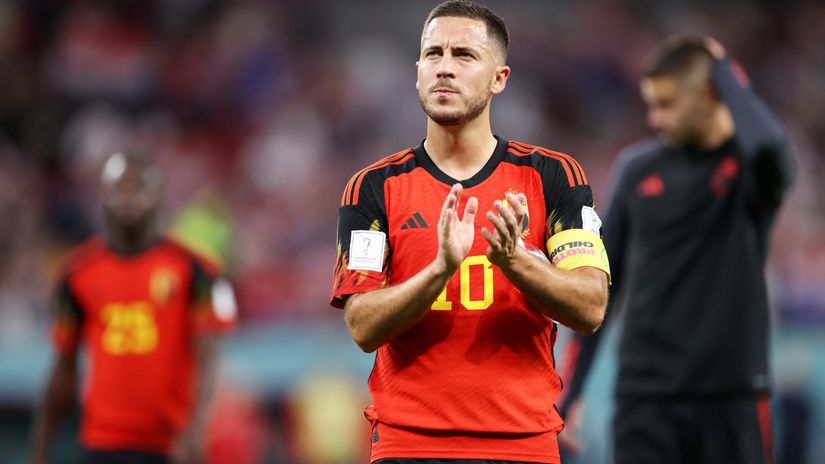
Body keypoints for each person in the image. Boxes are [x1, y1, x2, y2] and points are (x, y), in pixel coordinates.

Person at [330, 1, 611, 463]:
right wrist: (440, 269)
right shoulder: (373, 187)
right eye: (433, 54)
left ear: (499, 78)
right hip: (409, 445)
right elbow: (362, 327)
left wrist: (515, 262)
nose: (444, 68)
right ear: (417, 70)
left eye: (463, 55)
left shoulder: (554, 176)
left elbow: (591, 306)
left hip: (523, 443)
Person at [557, 35, 795, 464]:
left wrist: (722, 70)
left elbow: (774, 150)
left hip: (732, 399)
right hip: (644, 401)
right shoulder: (638, 170)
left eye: (666, 104)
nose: (655, 117)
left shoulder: (746, 170)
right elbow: (602, 286)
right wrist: (572, 391)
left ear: (707, 97)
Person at [29, 151, 237, 464]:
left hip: (168, 445)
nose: (128, 198)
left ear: (158, 195)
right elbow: (64, 366)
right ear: (101, 194)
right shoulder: (76, 273)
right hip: (101, 443)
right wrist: (41, 444)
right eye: (118, 188)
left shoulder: (196, 270)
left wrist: (197, 428)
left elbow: (209, 356)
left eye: (138, 187)